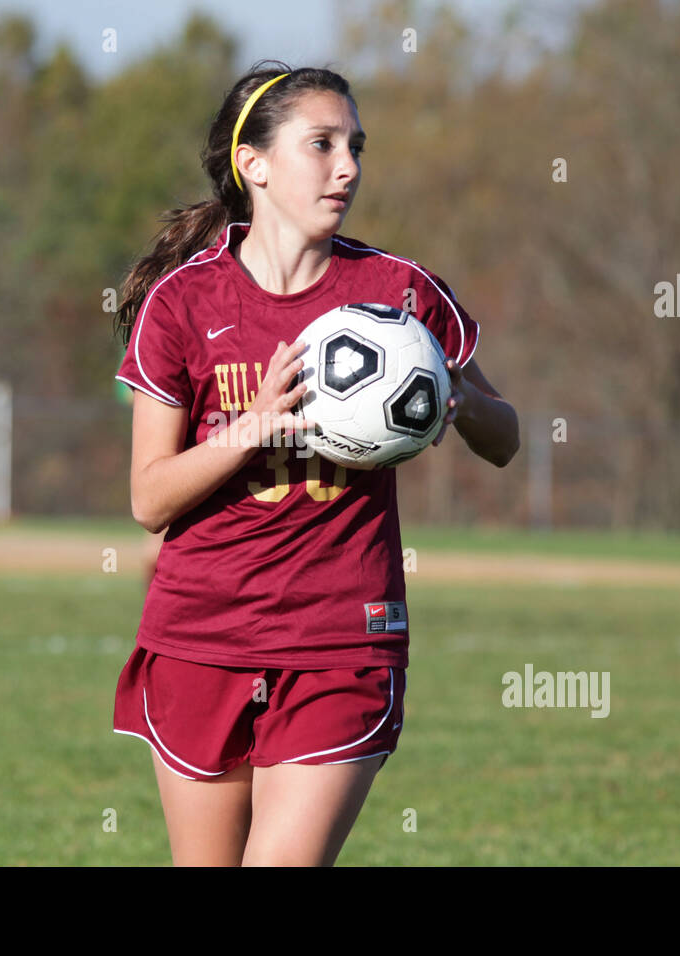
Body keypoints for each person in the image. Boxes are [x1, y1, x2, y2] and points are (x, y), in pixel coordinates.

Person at [111, 62, 520, 866]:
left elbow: (504, 438)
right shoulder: (184, 303)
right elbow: (149, 500)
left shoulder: (399, 294)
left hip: (342, 640)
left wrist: (452, 398)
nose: (349, 168)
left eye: (357, 147)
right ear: (253, 164)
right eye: (323, 144)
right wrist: (254, 426)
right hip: (201, 636)